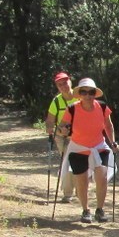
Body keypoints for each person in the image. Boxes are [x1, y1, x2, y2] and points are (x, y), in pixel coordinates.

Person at [58, 77, 118, 224]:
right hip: (78, 147)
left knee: (102, 177)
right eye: (84, 92)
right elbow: (62, 127)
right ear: (79, 94)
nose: (87, 95)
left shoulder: (102, 107)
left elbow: (108, 126)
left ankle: (100, 210)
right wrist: (63, 131)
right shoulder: (72, 109)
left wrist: (113, 142)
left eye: (90, 92)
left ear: (94, 93)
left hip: (99, 146)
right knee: (82, 180)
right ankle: (86, 210)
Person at [45, 71, 77, 202]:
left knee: (75, 163)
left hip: (79, 136)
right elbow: (50, 121)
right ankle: (69, 193)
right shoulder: (56, 101)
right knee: (67, 162)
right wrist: (55, 130)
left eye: (65, 82)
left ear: (70, 81)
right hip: (61, 137)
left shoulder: (80, 96)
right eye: (60, 85)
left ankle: (75, 191)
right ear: (57, 87)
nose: (64, 86)